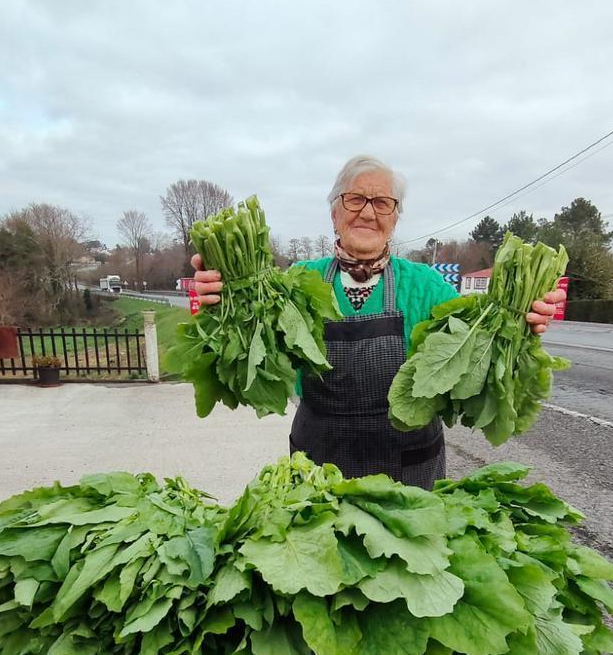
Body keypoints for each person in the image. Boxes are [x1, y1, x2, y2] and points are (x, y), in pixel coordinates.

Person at [190, 155, 565, 489]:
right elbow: (248, 365)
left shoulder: (426, 285)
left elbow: (480, 350)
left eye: (383, 203)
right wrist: (224, 298)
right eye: (354, 199)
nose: (368, 212)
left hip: (409, 468)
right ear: (334, 212)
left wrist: (524, 316)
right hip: (319, 464)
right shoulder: (296, 283)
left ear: (394, 218)